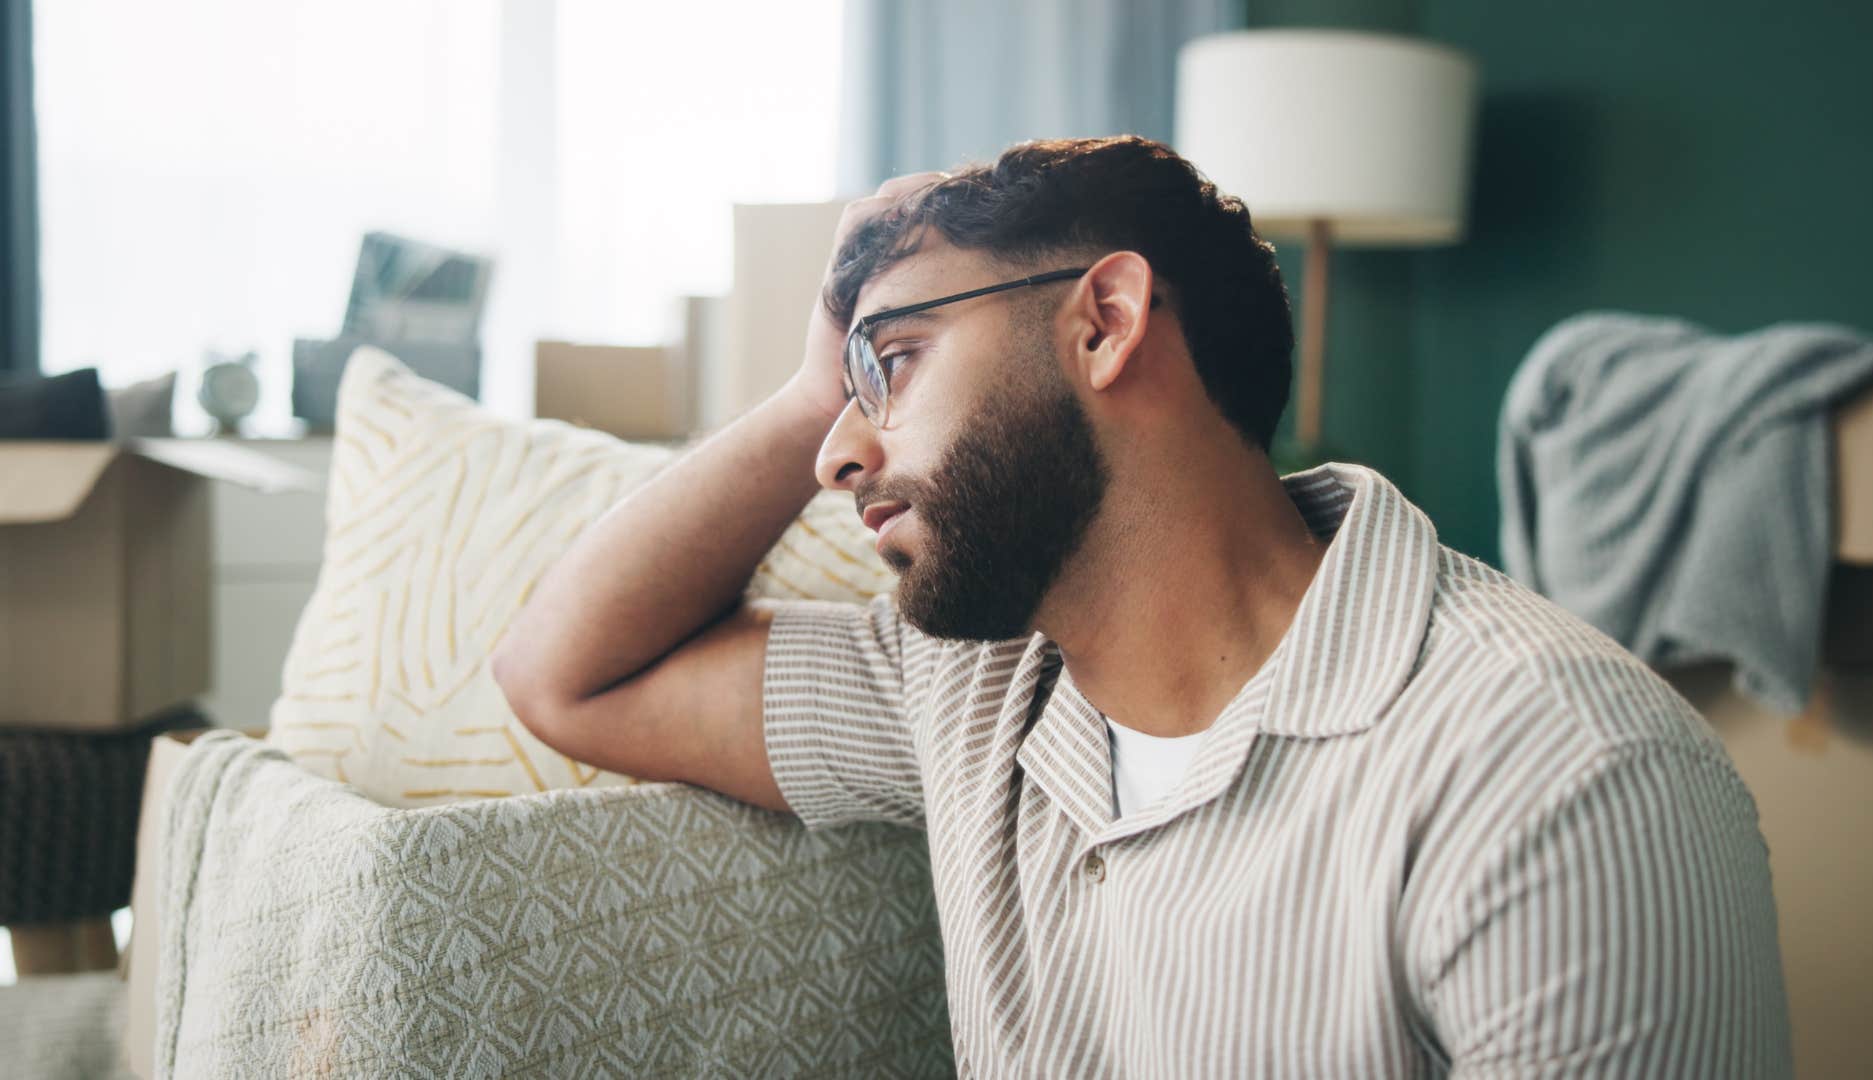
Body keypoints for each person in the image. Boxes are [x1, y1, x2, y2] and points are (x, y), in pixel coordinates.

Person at [491, 136, 1790, 1077]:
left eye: (893, 363)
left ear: (1104, 321)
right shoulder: (968, 690)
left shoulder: (1564, 777)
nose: (836, 456)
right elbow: (566, 675)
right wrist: (808, 382)